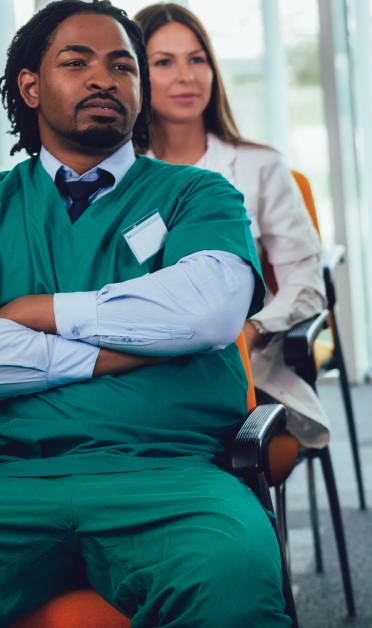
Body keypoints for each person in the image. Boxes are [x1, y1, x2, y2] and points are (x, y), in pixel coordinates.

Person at [0, 1, 287, 625]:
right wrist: (127, 345)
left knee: (232, 578)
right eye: (77, 62)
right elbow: (182, 320)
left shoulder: (198, 193)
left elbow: (209, 312)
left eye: (122, 66)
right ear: (29, 85)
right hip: (11, 478)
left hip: (173, 477)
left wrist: (40, 313)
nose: (103, 78)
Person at [134, 2, 329, 448]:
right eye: (164, 62)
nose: (186, 76)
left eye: (197, 59)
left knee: (200, 450)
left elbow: (306, 280)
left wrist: (253, 330)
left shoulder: (260, 166)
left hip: (243, 364)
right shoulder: (122, 179)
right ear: (136, 77)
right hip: (143, 367)